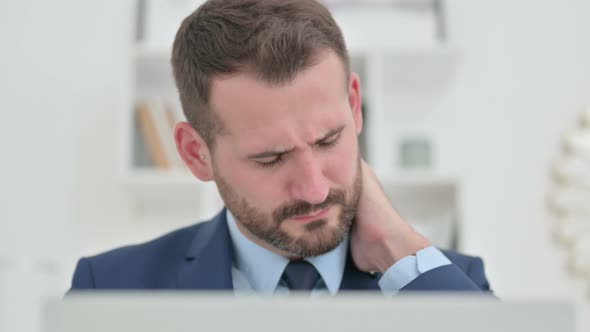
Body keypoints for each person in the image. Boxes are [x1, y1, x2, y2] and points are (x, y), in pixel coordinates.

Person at [70, 0, 490, 295]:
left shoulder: (445, 282)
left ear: (355, 106)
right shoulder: (109, 288)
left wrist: (396, 245)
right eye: (270, 158)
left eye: (328, 140)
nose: (315, 189)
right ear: (196, 153)